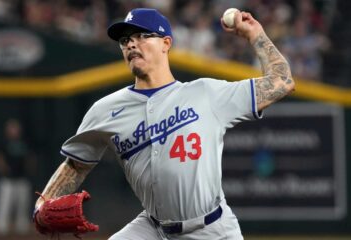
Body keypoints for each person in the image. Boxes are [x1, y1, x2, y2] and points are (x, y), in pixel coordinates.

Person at [35, 8, 294, 239]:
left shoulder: (206, 93)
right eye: (125, 40)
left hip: (212, 230)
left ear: (166, 43)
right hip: (153, 228)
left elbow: (282, 82)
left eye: (142, 36)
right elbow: (75, 165)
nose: (131, 44)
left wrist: (255, 34)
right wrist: (42, 205)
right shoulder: (105, 110)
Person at [0, 118, 35, 235]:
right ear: (7, 130)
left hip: (22, 179)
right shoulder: (3, 142)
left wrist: (29, 167)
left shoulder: (24, 142)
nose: (15, 130)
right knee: (4, 205)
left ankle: (22, 228)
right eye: (12, 128)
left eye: (16, 128)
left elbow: (30, 157)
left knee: (23, 205)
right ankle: (2, 228)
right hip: (8, 180)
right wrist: (3, 167)